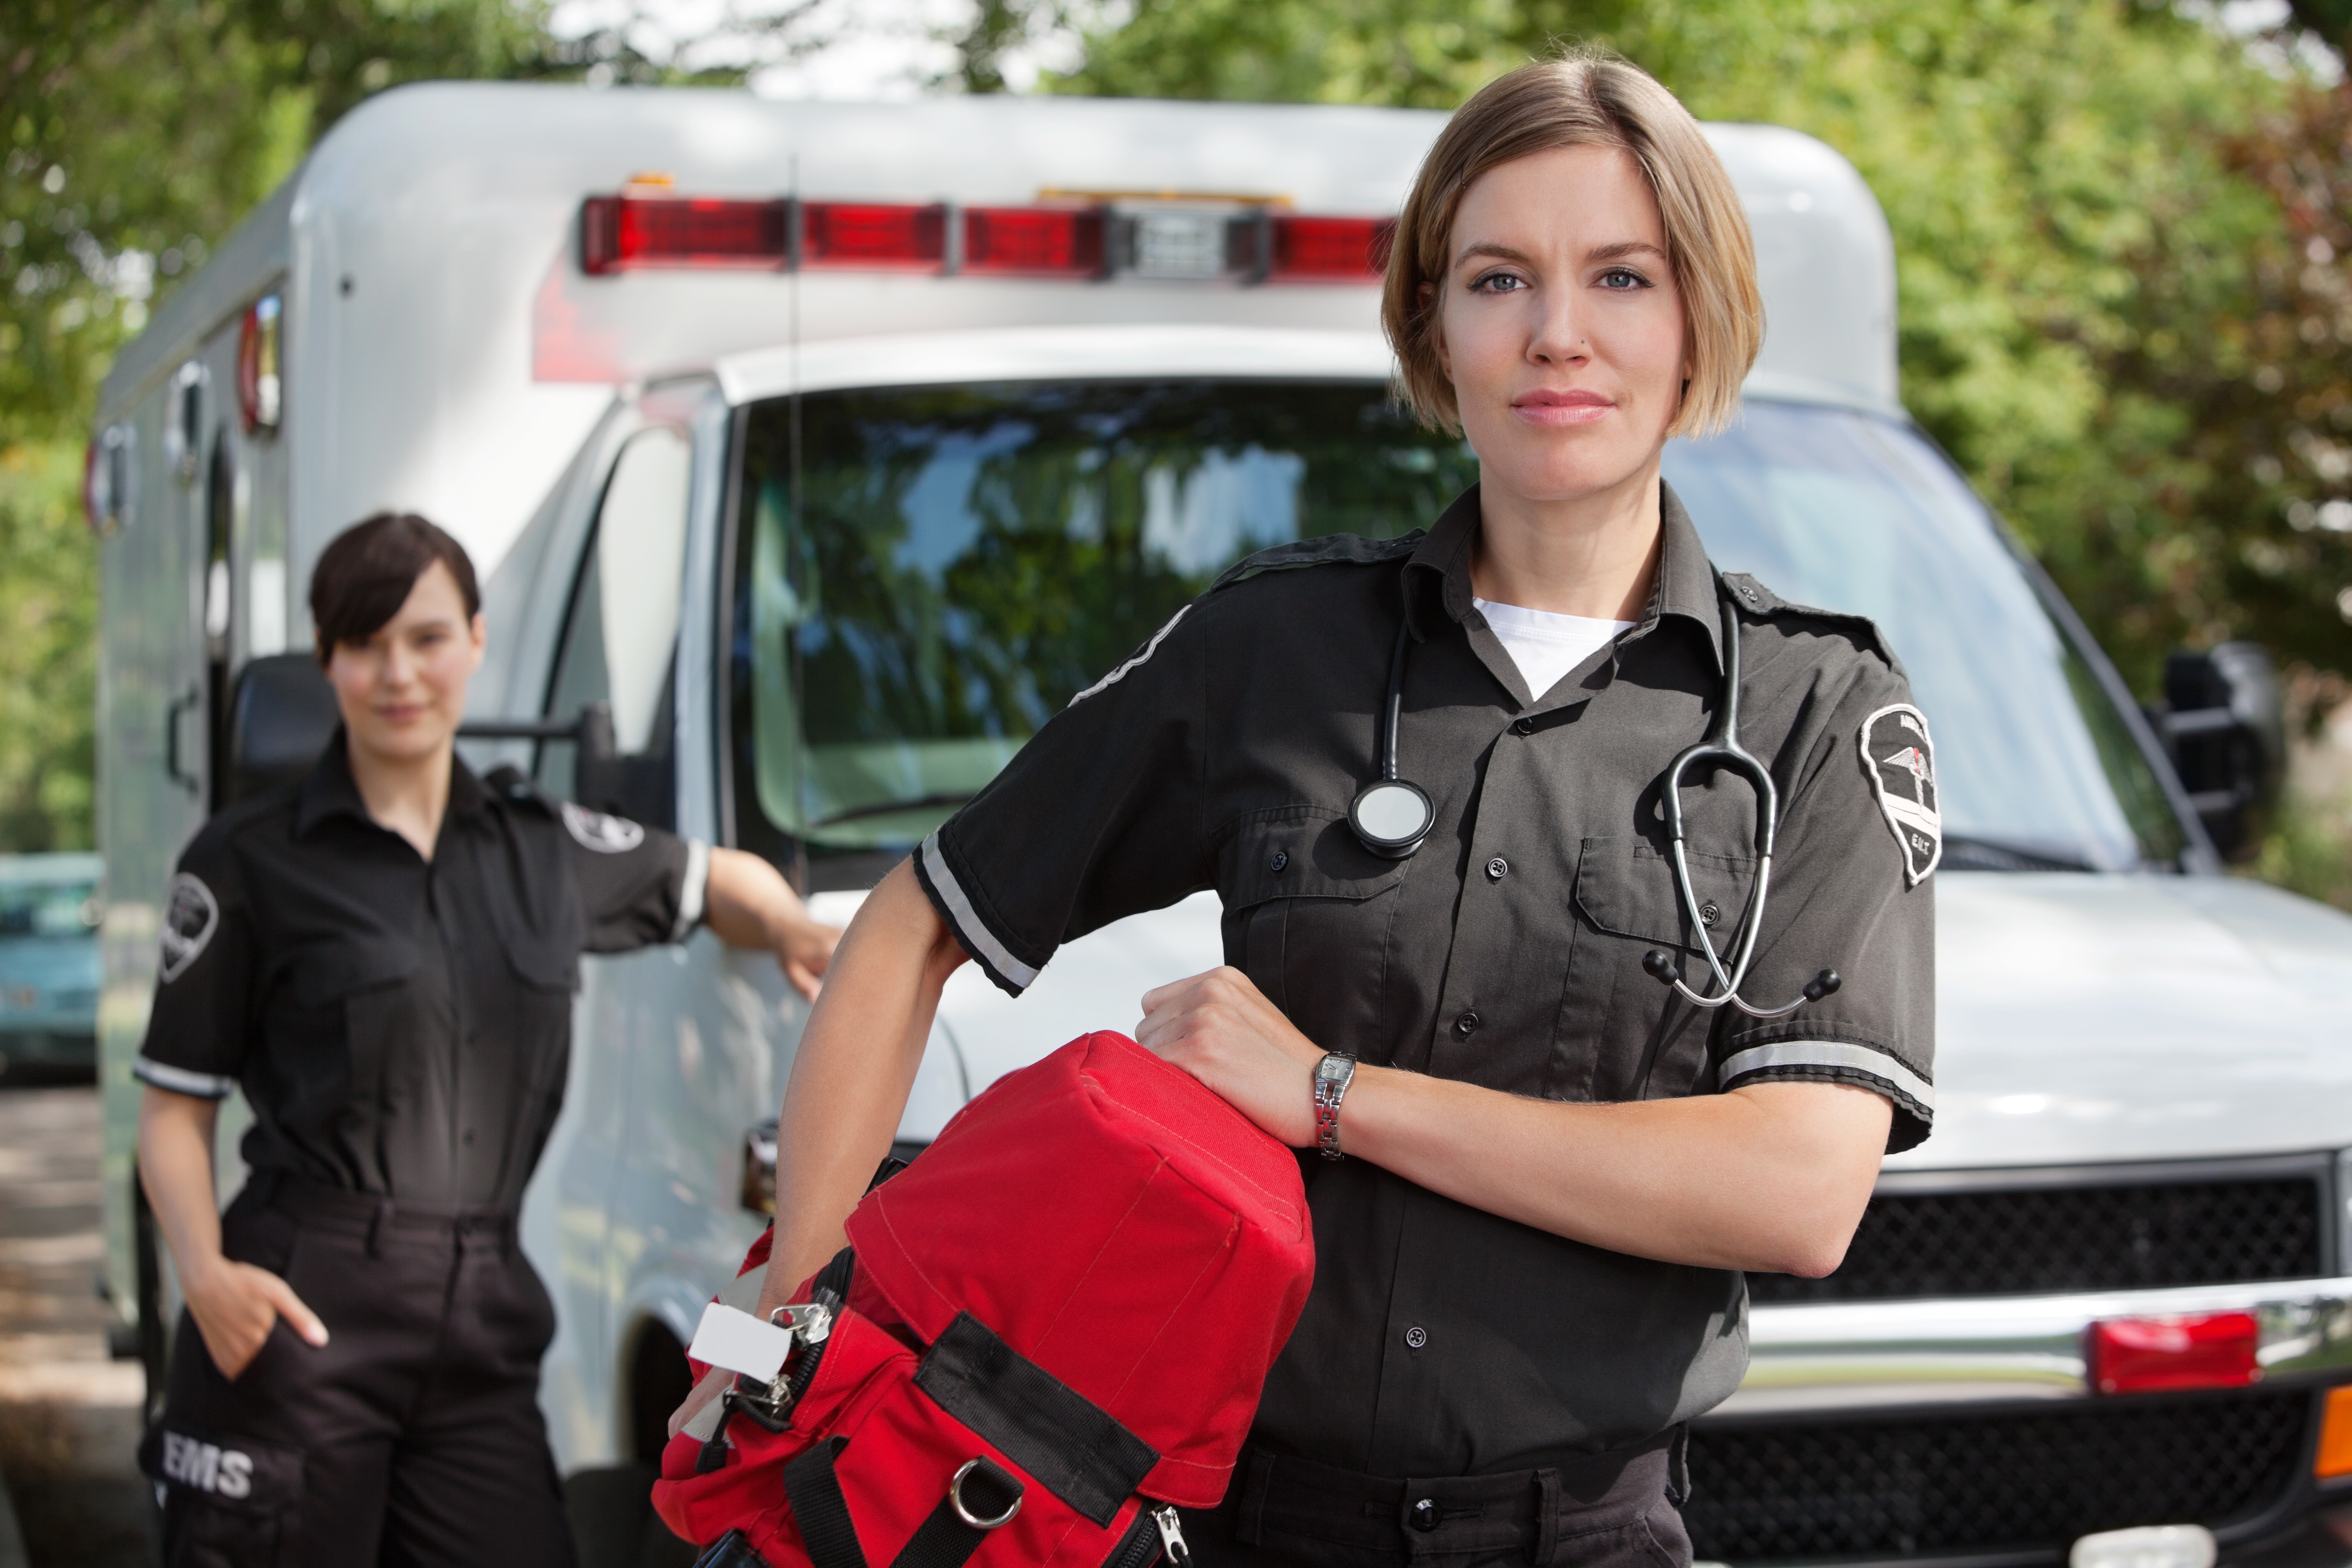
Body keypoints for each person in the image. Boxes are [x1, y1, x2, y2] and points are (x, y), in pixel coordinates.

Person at [675, 49, 1937, 1568]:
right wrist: (802, 1301)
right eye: (1495, 279)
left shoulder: (1809, 710)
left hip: (1584, 1530)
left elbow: (1796, 1190)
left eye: (1620, 276)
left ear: (1697, 321)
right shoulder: (1274, 652)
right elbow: (908, 926)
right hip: (1234, 1520)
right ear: (1431, 324)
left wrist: (1332, 1093)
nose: (1556, 335)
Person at [135, 513, 840, 1568]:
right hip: (301, 1312)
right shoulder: (245, 864)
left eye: (425, 639)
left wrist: (795, 925)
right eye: (366, 644)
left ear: (474, 638)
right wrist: (205, 1274)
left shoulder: (541, 849)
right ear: (326, 658)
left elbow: (711, 881)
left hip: (481, 1329)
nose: (398, 674)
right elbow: (171, 1113)